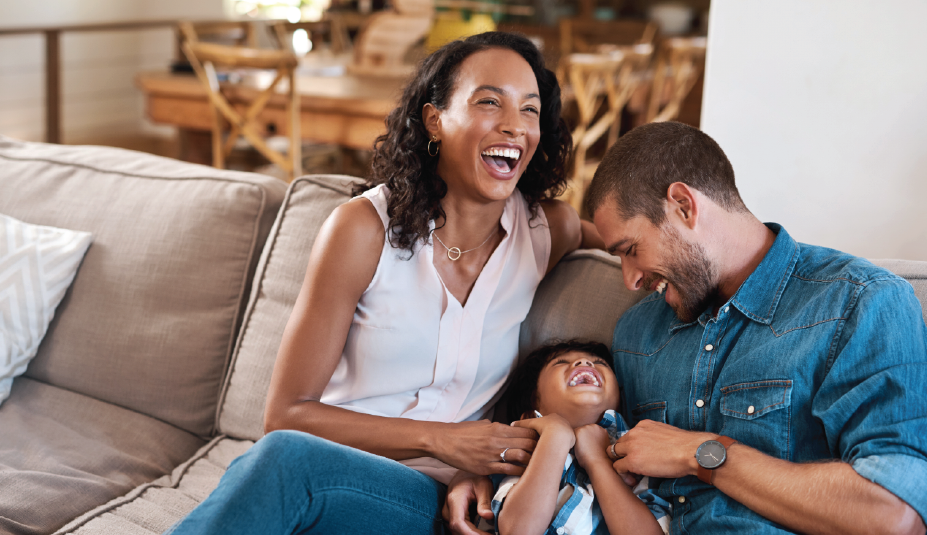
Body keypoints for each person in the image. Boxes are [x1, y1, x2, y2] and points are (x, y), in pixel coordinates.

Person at [164, 31, 604, 534]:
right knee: (282, 460)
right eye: (488, 102)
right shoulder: (362, 230)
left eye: (530, 110)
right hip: (337, 473)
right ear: (435, 120)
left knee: (281, 467)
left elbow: (626, 239)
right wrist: (445, 441)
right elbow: (286, 416)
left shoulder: (545, 233)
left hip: (437, 504)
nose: (514, 126)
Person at [444, 121, 927, 534]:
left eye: (629, 249)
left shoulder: (859, 302)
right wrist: (481, 474)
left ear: (684, 205)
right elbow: (582, 434)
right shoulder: (640, 334)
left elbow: (893, 514)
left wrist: (699, 454)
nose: (630, 278)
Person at [488, 339, 668, 535]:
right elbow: (518, 531)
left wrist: (597, 460)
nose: (584, 362)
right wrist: (555, 437)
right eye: (561, 362)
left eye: (600, 363)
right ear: (532, 411)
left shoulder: (636, 450)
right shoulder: (525, 453)